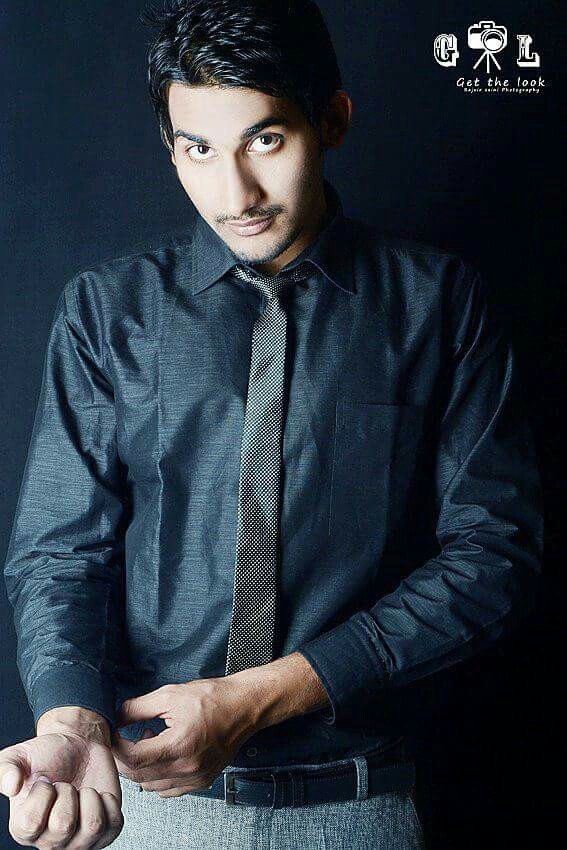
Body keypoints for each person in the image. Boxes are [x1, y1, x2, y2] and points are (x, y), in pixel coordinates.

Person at [1, 1, 543, 848]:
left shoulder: (440, 305)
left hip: (356, 808)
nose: (235, 195)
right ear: (170, 146)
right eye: (197, 149)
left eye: (265, 140)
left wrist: (256, 698)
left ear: (332, 121)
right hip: (146, 805)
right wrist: (70, 719)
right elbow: (60, 549)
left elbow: (492, 557)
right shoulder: (107, 312)